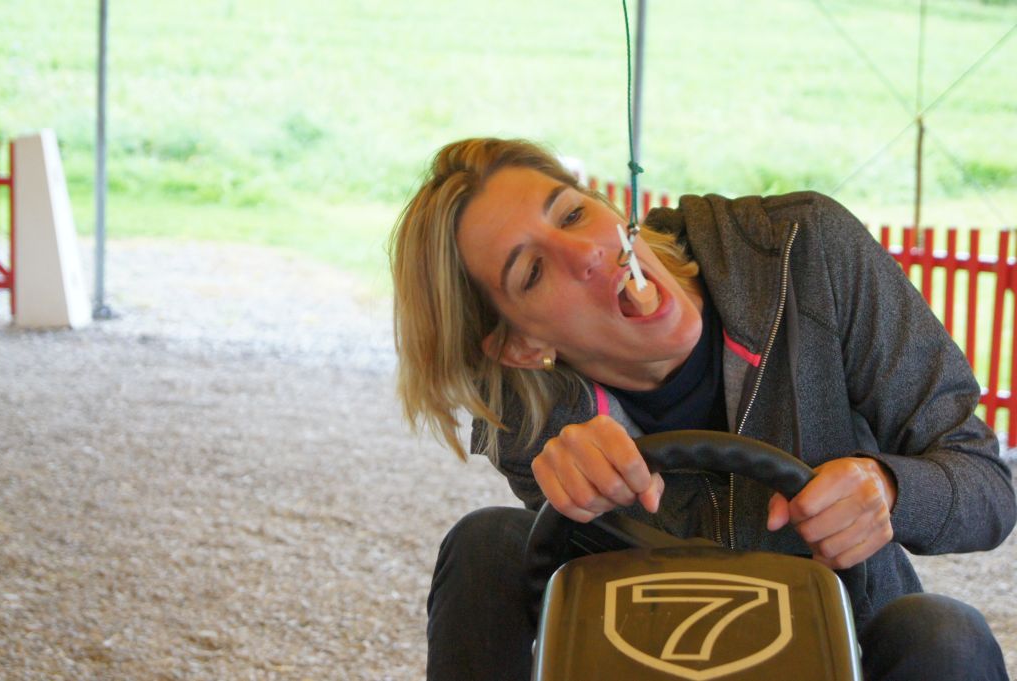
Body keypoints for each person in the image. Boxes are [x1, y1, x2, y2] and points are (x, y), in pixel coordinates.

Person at [389, 137, 1016, 680]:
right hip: (647, 659)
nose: (586, 253)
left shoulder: (806, 249)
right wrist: (566, 492)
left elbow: (987, 484)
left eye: (574, 213)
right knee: (486, 543)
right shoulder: (530, 423)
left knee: (944, 632)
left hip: (840, 648)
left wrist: (888, 489)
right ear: (520, 346)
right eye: (532, 272)